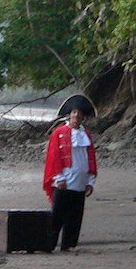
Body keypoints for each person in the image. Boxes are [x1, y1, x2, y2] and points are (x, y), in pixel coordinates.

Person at [43, 94, 98, 253]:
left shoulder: (86, 134)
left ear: (83, 117)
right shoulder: (58, 133)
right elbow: (54, 157)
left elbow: (90, 158)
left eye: (79, 113)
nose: (76, 116)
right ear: (69, 114)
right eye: (74, 112)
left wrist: (90, 181)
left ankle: (69, 244)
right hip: (64, 180)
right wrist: (58, 177)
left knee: (75, 216)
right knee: (57, 215)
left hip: (80, 181)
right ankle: (49, 244)